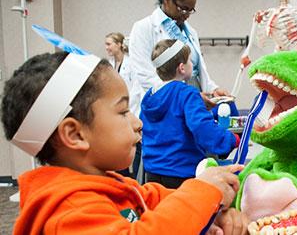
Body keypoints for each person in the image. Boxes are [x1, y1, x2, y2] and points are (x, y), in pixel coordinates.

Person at [2, 51, 247, 234]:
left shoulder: (111, 184)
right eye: (122, 112)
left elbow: (153, 197)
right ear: (75, 135)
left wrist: (210, 214)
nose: (137, 123)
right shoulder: (69, 211)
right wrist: (202, 193)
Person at [140, 39, 240, 189]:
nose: (192, 65)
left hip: (152, 173)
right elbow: (202, 127)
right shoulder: (187, 93)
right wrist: (232, 140)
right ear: (182, 68)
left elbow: (166, 123)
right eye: (190, 61)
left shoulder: (149, 97)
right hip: (181, 173)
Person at [129, 0, 229, 112]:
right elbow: (145, 76)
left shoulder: (190, 32)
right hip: (163, 105)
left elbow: (199, 72)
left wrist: (214, 90)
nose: (187, 14)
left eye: (191, 10)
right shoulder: (144, 28)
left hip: (191, 102)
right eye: (184, 9)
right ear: (167, 0)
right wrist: (185, 95)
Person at [104, 32, 142, 179]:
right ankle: (122, 178)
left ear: (119, 44)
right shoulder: (110, 65)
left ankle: (135, 181)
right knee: (120, 146)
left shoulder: (131, 63)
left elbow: (135, 90)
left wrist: (125, 108)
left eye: (109, 44)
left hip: (132, 110)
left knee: (137, 146)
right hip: (119, 111)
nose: (106, 47)